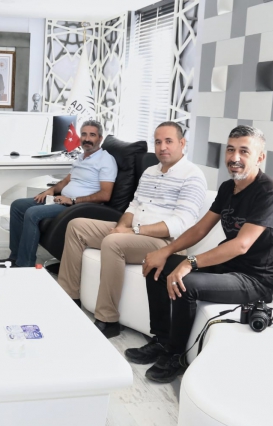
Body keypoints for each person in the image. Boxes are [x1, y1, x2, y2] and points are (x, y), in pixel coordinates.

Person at [127, 125, 273, 383]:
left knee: (186, 283)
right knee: (158, 265)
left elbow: (241, 245)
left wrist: (190, 262)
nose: (235, 157)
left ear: (260, 157)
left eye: (244, 151)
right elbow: (201, 228)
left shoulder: (269, 192)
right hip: (228, 266)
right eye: (230, 150)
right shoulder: (228, 188)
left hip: (255, 279)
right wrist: (166, 251)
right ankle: (162, 340)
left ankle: (176, 355)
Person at [58, 121, 207, 339]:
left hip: (167, 242)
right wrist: (121, 227)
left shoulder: (192, 175)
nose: (162, 147)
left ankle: (108, 319)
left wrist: (132, 231)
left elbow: (180, 224)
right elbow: (133, 206)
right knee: (76, 226)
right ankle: (69, 298)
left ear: (182, 143)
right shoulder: (150, 171)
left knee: (113, 242)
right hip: (135, 231)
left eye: (168, 141)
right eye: (158, 142)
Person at [0, 120, 118, 267]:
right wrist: (51, 190)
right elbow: (66, 180)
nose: (87, 139)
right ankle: (14, 257)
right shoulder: (82, 157)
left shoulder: (106, 160)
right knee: (17, 205)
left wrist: (73, 200)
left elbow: (105, 195)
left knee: (32, 213)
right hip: (62, 199)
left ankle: (25, 265)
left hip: (77, 206)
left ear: (100, 138)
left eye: (92, 135)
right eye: (84, 134)